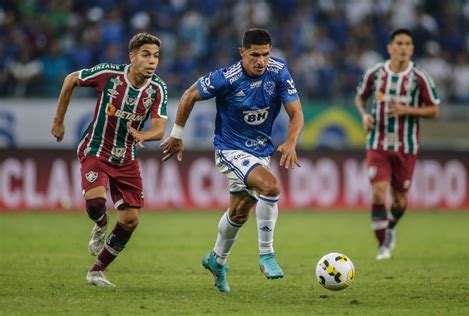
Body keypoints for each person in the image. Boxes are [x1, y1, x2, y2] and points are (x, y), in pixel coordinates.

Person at [161, 28, 304, 293]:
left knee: (239, 212)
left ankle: (217, 260)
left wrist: (292, 141)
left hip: (261, 151)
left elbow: (296, 113)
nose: (261, 61)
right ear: (242, 53)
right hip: (230, 149)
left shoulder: (279, 72)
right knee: (270, 188)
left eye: (265, 54)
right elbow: (189, 95)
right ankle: (267, 255)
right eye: (254, 55)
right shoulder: (226, 78)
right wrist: (177, 134)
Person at [51, 33, 168, 286]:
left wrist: (144, 134)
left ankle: (97, 271)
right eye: (146, 55)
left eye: (156, 56)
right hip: (96, 149)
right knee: (96, 203)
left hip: (127, 158)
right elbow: (71, 79)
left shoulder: (158, 88)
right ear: (132, 56)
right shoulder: (109, 74)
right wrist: (58, 121)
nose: (152, 61)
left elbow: (159, 129)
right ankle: (101, 223)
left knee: (130, 220)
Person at [355, 29, 440, 260]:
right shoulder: (375, 73)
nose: (403, 47)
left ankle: (390, 226)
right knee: (379, 193)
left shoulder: (420, 77)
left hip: (406, 146)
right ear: (390, 47)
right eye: (399, 43)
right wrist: (364, 115)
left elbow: (434, 109)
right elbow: (360, 98)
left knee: (400, 201)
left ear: (412, 48)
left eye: (408, 44)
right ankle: (383, 246)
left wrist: (407, 110)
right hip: (377, 143)